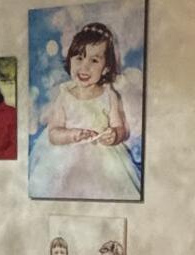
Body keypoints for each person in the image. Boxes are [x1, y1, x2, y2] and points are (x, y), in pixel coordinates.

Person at [28, 21, 139, 199]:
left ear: (106, 68)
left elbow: (120, 128)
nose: (84, 67)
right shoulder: (65, 95)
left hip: (102, 160)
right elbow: (53, 133)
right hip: (64, 160)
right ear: (70, 59)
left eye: (94, 60)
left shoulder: (109, 95)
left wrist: (114, 135)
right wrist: (71, 134)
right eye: (79, 58)